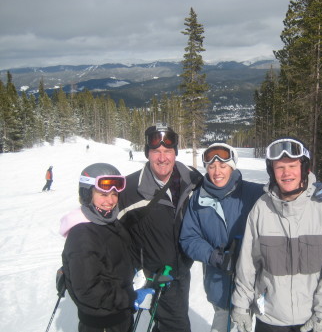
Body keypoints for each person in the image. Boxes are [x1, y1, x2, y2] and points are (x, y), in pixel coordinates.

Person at [231, 137, 322, 332]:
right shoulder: (261, 209)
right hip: (270, 320)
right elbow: (248, 264)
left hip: (312, 319)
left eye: (292, 166)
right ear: (272, 172)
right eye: (280, 167)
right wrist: (241, 304)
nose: (286, 173)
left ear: (304, 168)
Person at [118, 123, 203, 332]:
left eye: (168, 151)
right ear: (147, 154)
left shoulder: (192, 180)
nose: (162, 158)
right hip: (155, 276)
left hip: (182, 271)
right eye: (156, 151)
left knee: (169, 321)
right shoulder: (129, 189)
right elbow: (103, 225)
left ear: (175, 153)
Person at [180, 143, 265, 332]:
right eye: (211, 166)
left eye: (223, 166)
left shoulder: (252, 193)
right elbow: (189, 238)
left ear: (233, 167)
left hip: (252, 284)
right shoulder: (198, 199)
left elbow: (286, 192)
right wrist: (214, 256)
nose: (217, 172)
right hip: (219, 284)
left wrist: (316, 189)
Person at [59, 163, 154, 332]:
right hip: (102, 324)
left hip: (117, 317)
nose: (110, 201)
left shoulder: (107, 222)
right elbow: (89, 291)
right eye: (102, 194)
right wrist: (130, 298)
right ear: (88, 195)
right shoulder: (83, 235)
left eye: (114, 194)